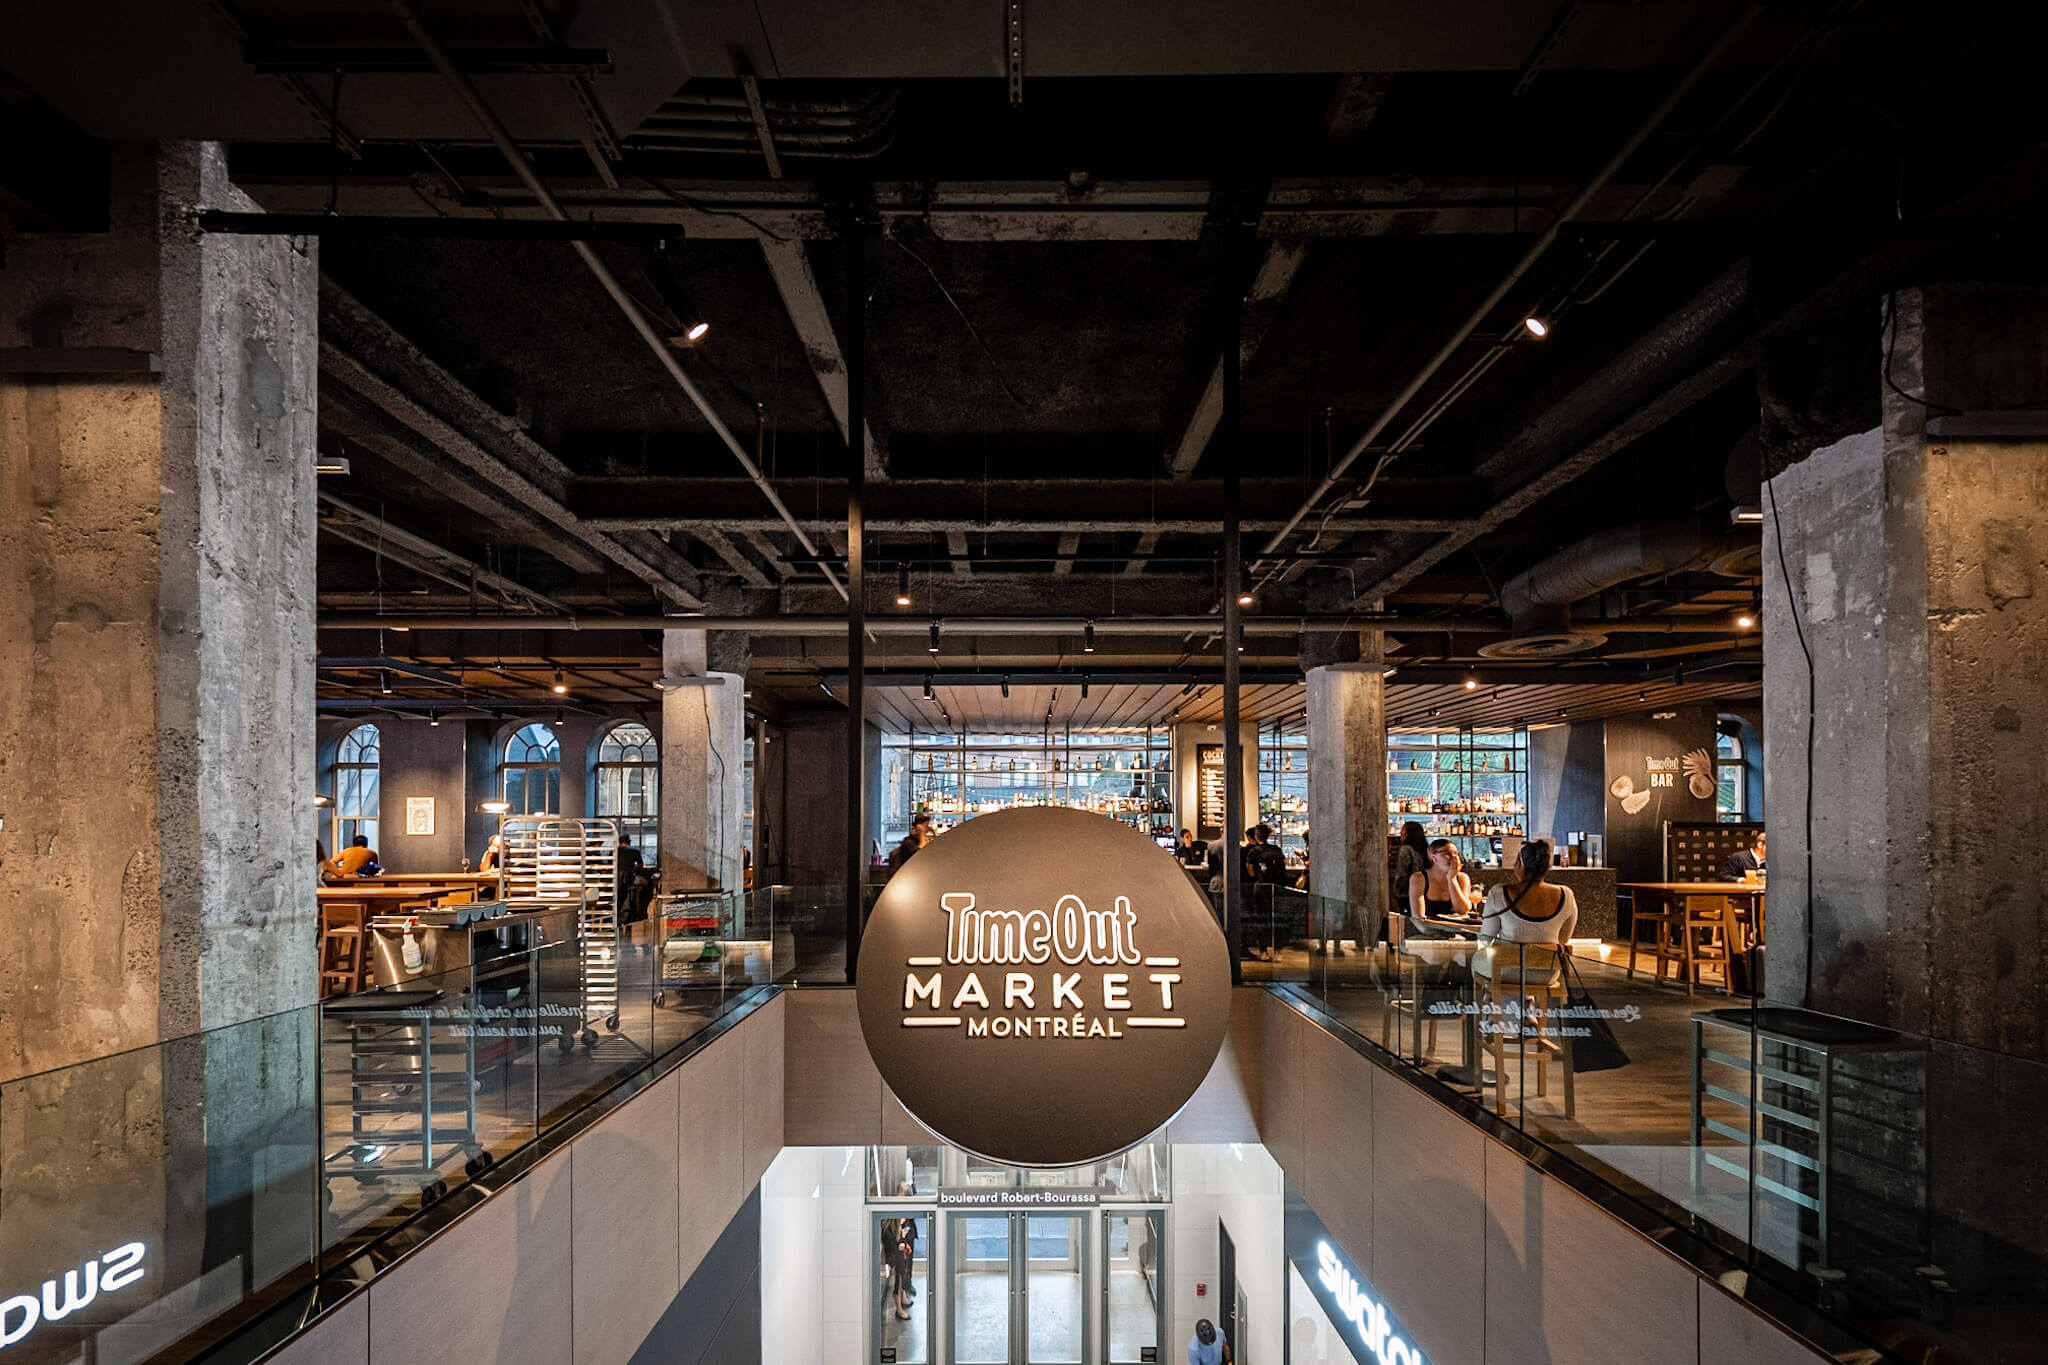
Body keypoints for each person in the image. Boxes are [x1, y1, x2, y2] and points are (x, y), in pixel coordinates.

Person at [1479, 837, 1579, 948]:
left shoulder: (1498, 893)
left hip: (1508, 963)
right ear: (1547, 867)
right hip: (1550, 964)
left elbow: (1486, 939)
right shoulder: (1566, 895)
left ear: (1520, 864)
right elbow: (1562, 940)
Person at [1408, 838, 1476, 938]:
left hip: (1457, 931)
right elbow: (1418, 917)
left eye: (1456, 854)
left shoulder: (1462, 878)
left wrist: (1451, 879)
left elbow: (1462, 910)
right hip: (1427, 932)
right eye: (1447, 854)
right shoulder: (1419, 878)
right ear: (1433, 857)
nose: (1454, 858)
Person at [1391, 822, 1430, 936]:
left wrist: (1397, 891)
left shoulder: (1406, 849)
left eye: (1402, 832)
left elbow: (1402, 873)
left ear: (1409, 834)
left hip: (1407, 893)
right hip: (1424, 891)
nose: (1400, 835)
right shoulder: (1425, 849)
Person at [615, 835, 653, 924]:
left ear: (619, 842)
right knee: (645, 882)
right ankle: (637, 904)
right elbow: (641, 865)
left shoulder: (615, 851)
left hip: (616, 880)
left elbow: (610, 864)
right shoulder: (634, 851)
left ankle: (633, 900)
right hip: (630, 879)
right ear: (629, 841)